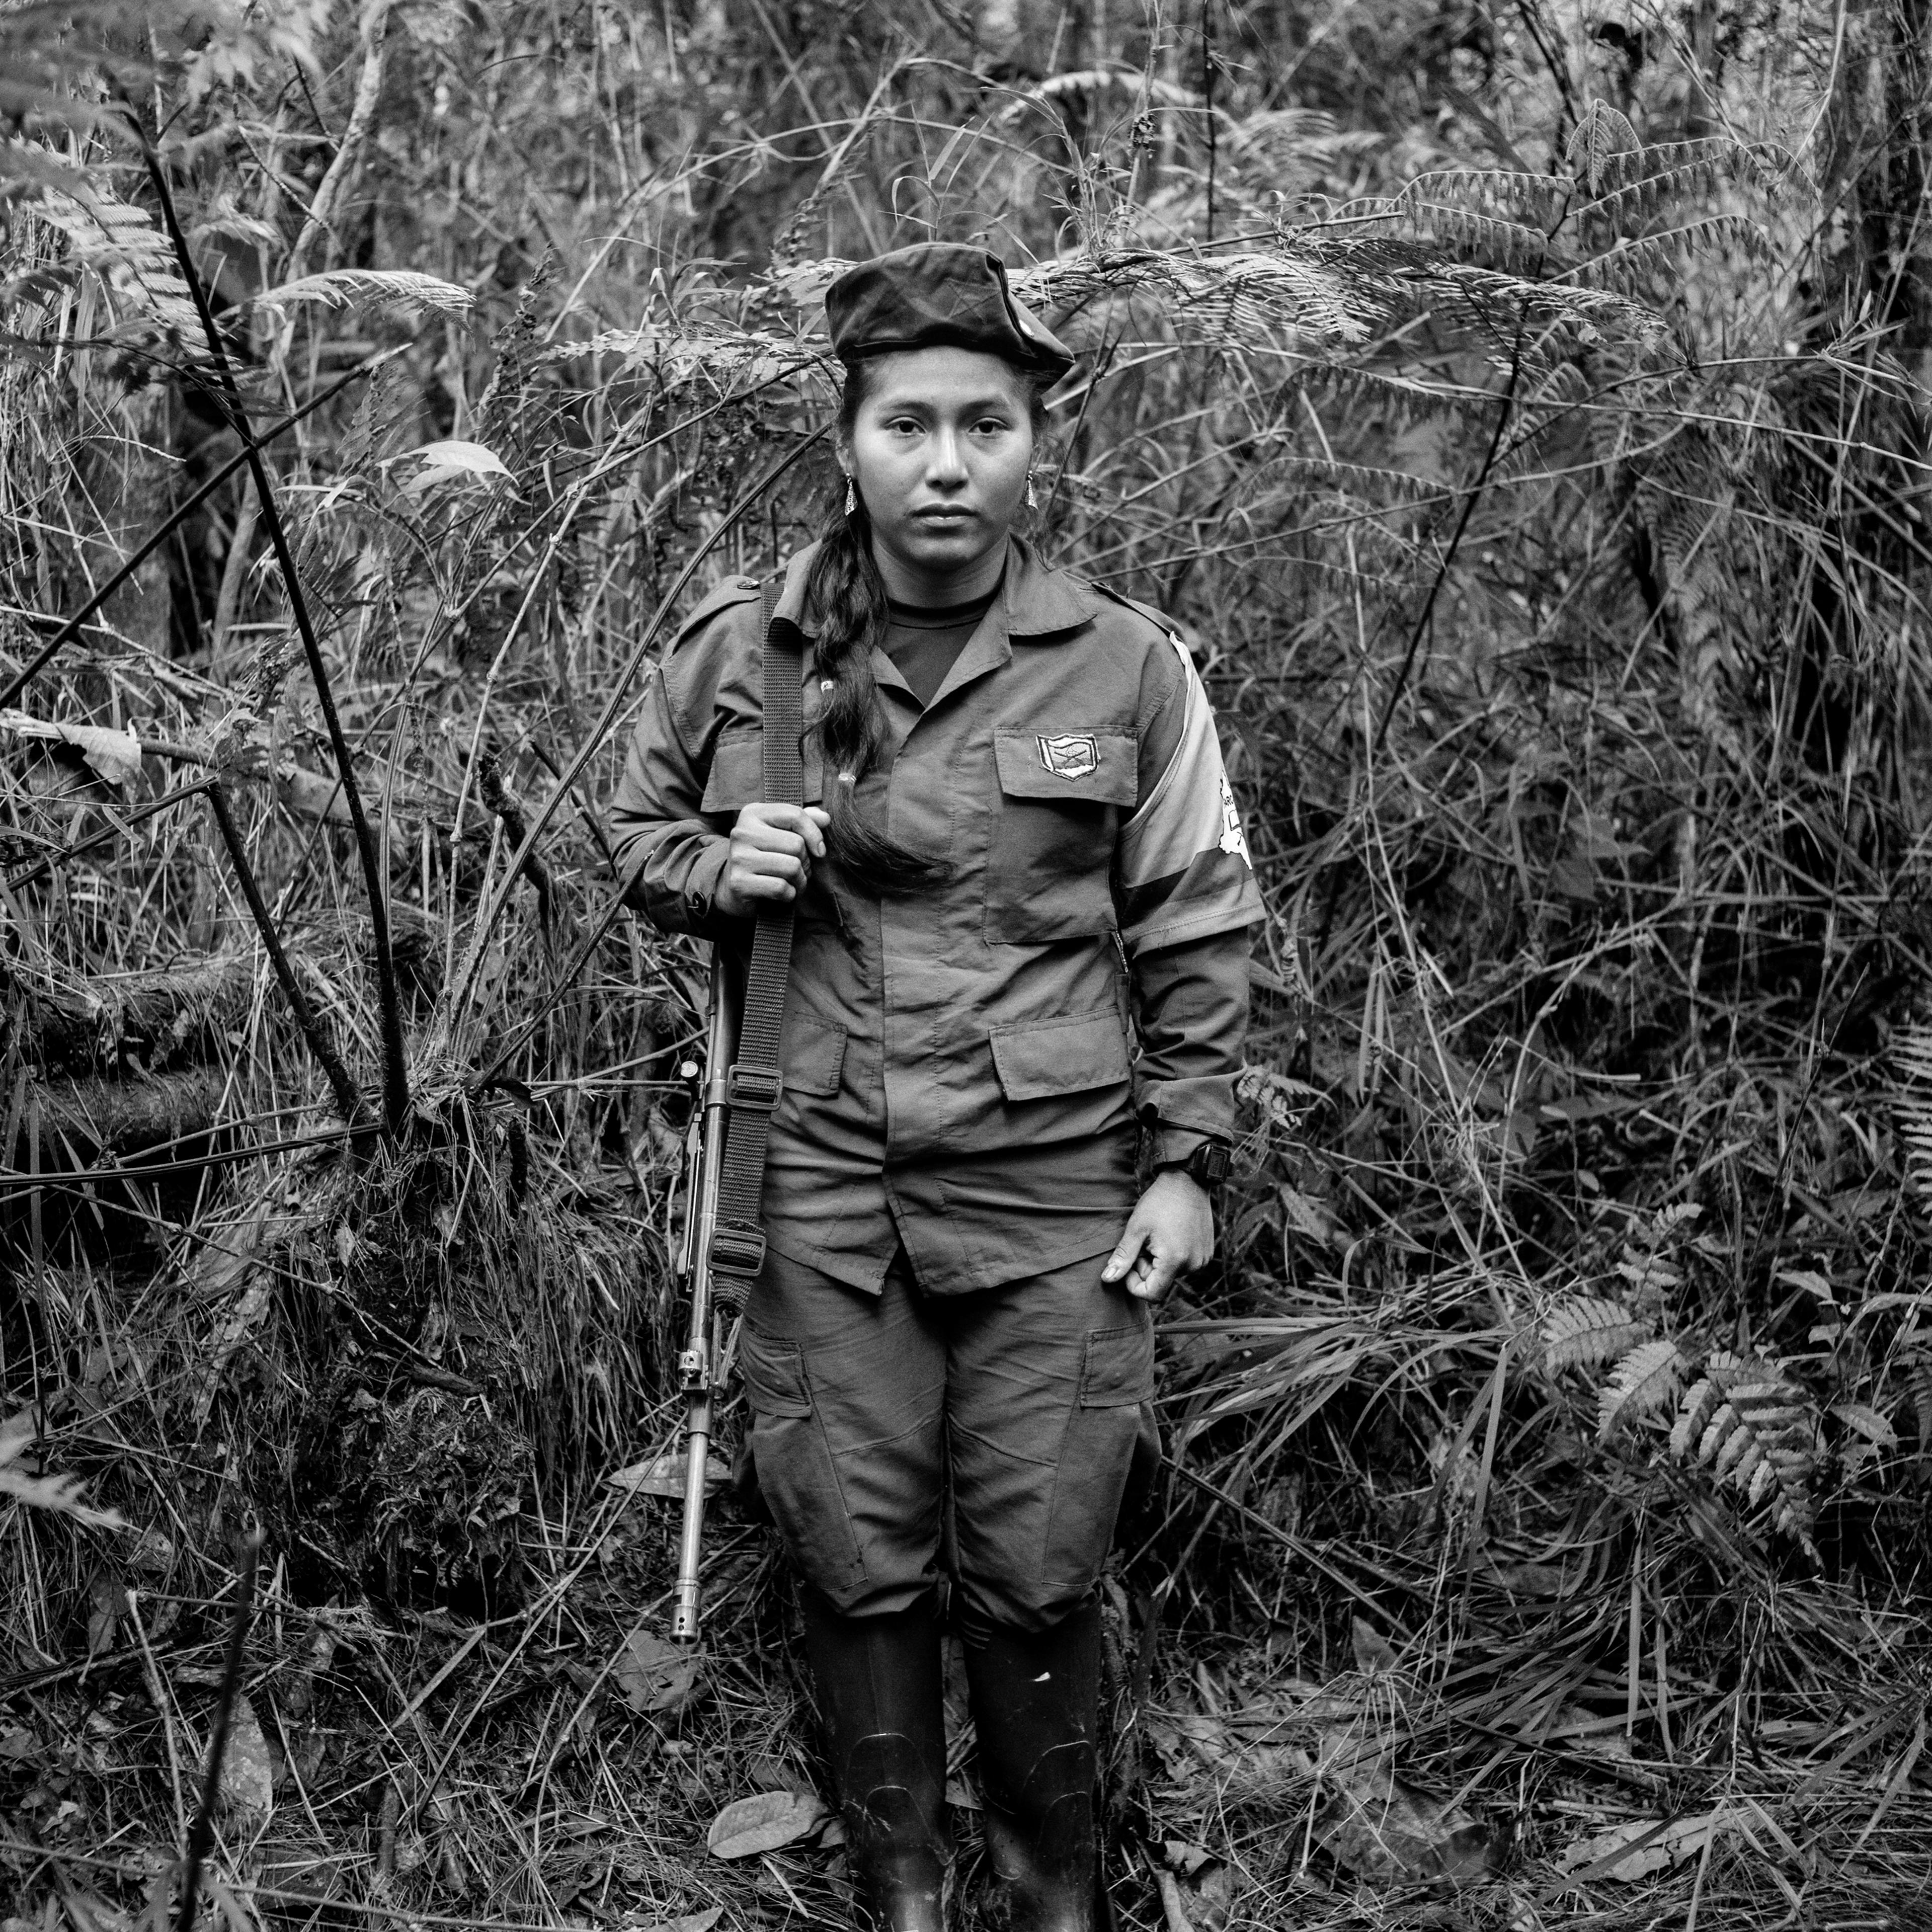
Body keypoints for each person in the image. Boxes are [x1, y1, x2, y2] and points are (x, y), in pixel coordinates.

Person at [609, 243, 1259, 1932]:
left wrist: (1187, 1158)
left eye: (988, 423)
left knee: (1040, 1559)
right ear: (851, 439)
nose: (949, 463)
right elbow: (626, 836)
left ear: (1040, 440)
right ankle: (901, 1889)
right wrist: (710, 864)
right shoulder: (744, 655)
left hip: (1055, 1192)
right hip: (817, 1178)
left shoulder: (1127, 670)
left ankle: (1056, 1897)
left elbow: (1196, 912)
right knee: (850, 1545)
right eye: (909, 423)